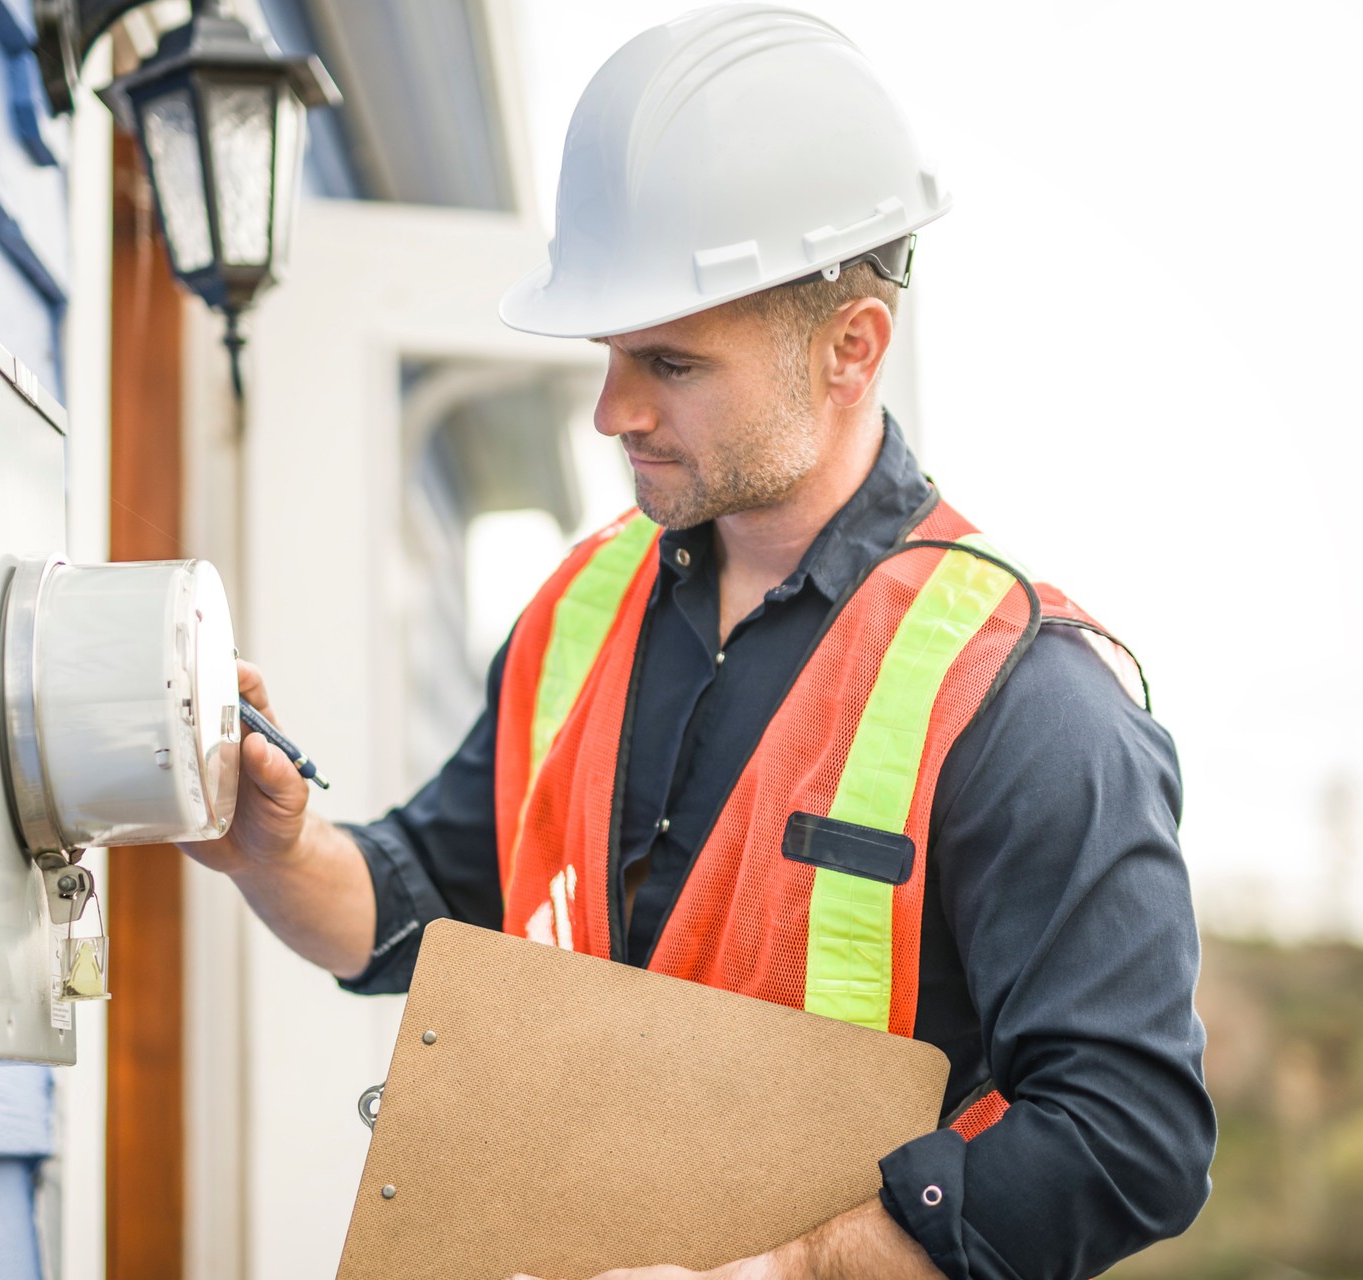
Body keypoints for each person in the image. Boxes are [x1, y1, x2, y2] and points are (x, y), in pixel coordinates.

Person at [180, 6, 1215, 1277]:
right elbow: (417, 912)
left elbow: (1132, 1132)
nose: (614, 409)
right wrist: (274, 852)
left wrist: (790, 1269)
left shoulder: (1026, 693)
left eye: (668, 361)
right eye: (610, 352)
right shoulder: (577, 611)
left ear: (850, 349)